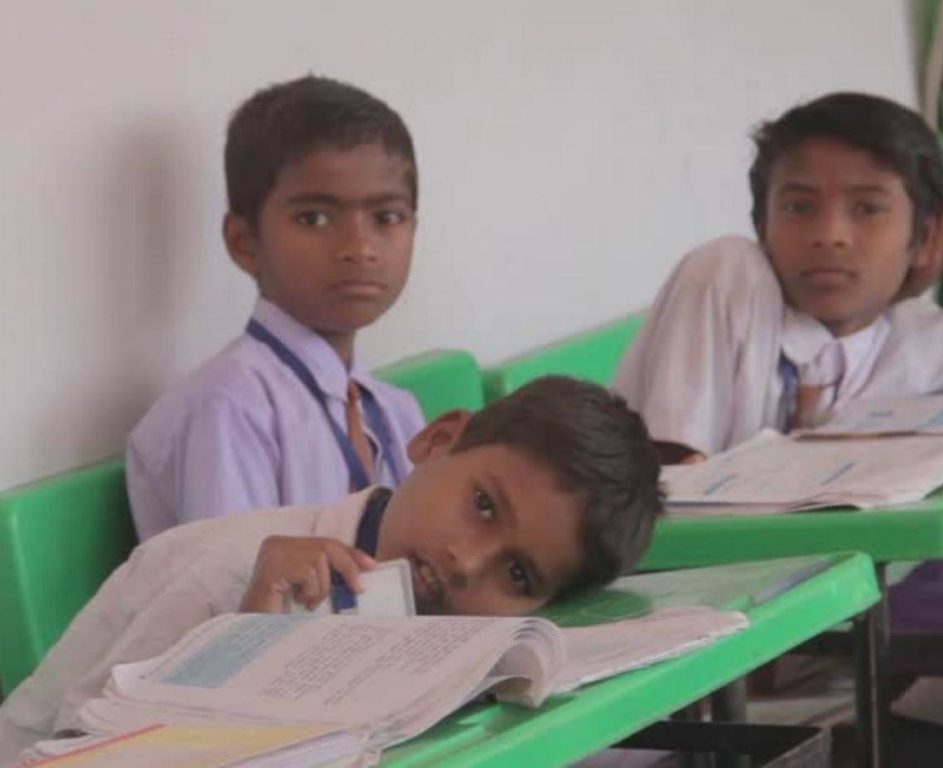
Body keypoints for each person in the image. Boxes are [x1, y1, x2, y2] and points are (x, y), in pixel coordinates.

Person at [0, 376, 664, 761]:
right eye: (483, 506)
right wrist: (243, 650)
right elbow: (76, 753)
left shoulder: (441, 630)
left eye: (518, 576)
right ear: (438, 441)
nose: (468, 562)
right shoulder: (222, 577)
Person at [614, 91, 943, 633]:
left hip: (838, 602)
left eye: (867, 209)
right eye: (800, 207)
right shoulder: (729, 277)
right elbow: (669, 497)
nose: (829, 235)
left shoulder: (918, 338)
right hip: (695, 608)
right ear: (762, 225)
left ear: (924, 236)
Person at [127, 75, 424, 541]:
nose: (360, 247)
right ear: (245, 242)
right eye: (315, 218)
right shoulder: (229, 408)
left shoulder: (395, 411)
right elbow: (239, 582)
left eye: (386, 217)